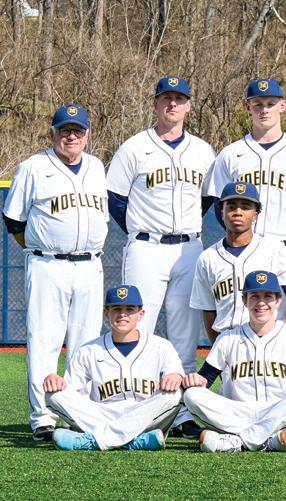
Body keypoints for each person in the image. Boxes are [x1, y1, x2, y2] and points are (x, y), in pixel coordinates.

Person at [106, 77, 216, 402]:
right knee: (138, 326)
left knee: (185, 332)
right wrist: (140, 228)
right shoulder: (134, 147)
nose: (172, 104)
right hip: (146, 247)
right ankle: (135, 401)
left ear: (189, 106)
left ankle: (182, 406)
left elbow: (207, 198)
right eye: (166, 98)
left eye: (179, 99)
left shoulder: (203, 151)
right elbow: (116, 199)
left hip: (189, 247)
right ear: (155, 103)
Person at [3, 103, 108, 440]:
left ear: (87, 135)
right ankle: (43, 416)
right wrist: (37, 248)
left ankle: (76, 412)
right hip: (48, 263)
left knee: (85, 343)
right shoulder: (33, 167)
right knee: (44, 340)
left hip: (90, 264)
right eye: (65, 130)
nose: (71, 136)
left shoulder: (96, 167)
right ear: (53, 134)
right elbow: (13, 220)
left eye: (77, 130)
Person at [203, 78, 286, 322]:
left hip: (285, 248)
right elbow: (220, 205)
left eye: (270, 103)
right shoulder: (230, 154)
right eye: (258, 104)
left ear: (283, 106)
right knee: (242, 320)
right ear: (248, 107)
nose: (264, 110)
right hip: (243, 248)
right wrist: (241, 238)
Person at [183, 271, 286, 452]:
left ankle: (239, 443)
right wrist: (196, 380)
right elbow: (205, 379)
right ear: (245, 301)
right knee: (192, 394)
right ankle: (268, 442)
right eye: (254, 296)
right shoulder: (228, 338)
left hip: (282, 414)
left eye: (268, 296)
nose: (261, 303)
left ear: (278, 301)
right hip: (238, 415)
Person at [41, 285, 182, 451]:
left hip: (146, 415)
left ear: (141, 314)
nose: (123, 314)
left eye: (130, 309)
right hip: (102, 416)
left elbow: (174, 376)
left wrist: (175, 376)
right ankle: (134, 441)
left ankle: (95, 441)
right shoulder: (89, 350)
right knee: (54, 394)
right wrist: (54, 380)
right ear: (106, 313)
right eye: (116, 309)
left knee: (176, 393)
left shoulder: (162, 347)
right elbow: (70, 391)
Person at [191, 182, 286, 344]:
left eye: (245, 207)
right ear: (222, 213)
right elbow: (208, 310)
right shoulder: (208, 258)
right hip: (227, 338)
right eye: (231, 207)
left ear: (255, 214)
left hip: (268, 337)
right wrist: (217, 346)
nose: (238, 212)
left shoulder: (274, 249)